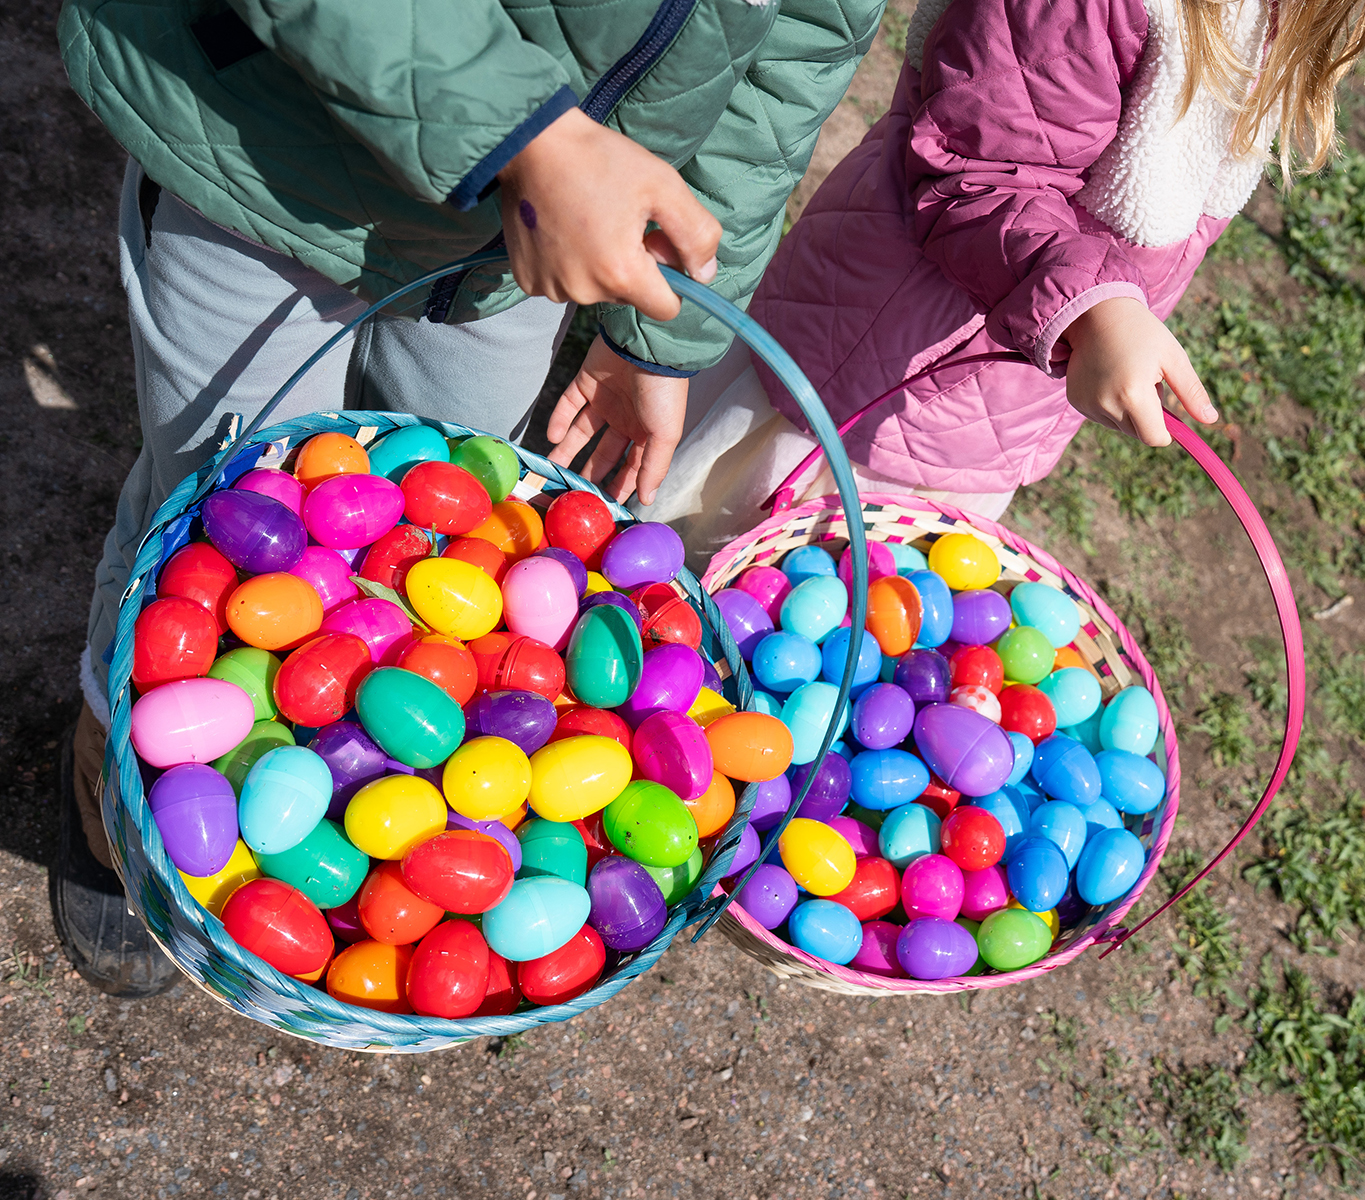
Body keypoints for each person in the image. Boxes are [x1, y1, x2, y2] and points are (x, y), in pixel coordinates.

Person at [53, 0, 884, 995]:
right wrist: (524, 134)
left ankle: (286, 759)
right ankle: (113, 773)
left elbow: (782, 68)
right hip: (264, 160)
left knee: (459, 509)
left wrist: (659, 328)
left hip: (507, 260)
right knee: (207, 526)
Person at [633, 0, 1365, 563]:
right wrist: (1094, 313)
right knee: (710, 553)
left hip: (990, 405)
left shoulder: (1286, 16)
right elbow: (978, 165)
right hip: (858, 370)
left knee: (849, 626)